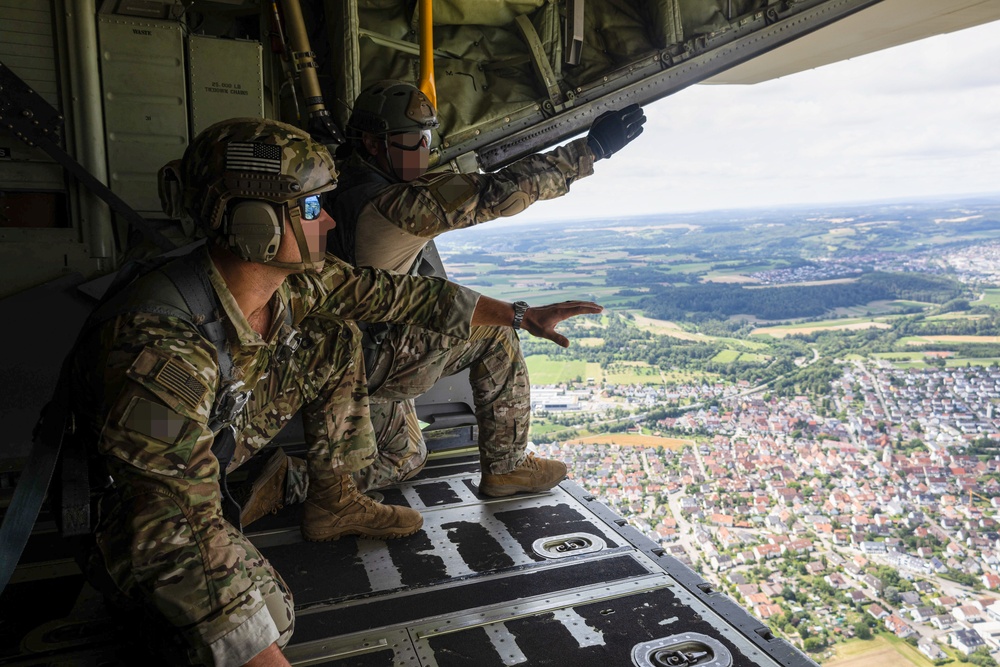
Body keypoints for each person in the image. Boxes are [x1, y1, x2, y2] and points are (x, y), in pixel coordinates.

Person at [68, 117, 601, 666]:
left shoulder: (295, 284)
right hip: (138, 509)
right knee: (268, 618)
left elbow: (398, 296)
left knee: (334, 334)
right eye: (308, 208)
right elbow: (170, 517)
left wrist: (518, 315)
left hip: (223, 431)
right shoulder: (157, 348)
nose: (325, 221)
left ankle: (333, 500)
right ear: (256, 224)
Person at [318, 80, 644, 497]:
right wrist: (589, 150)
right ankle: (507, 467)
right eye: (411, 140)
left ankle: (286, 482)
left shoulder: (338, 185)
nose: (423, 149)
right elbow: (499, 192)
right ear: (372, 143)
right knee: (498, 332)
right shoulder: (392, 205)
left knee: (404, 459)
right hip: (377, 359)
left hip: (344, 357)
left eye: (427, 138)